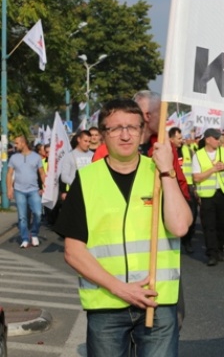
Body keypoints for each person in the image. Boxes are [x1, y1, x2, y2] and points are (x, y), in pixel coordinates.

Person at [54, 98, 192, 356]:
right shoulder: (87, 179)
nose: (125, 135)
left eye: (132, 127)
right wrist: (121, 289)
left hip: (157, 302)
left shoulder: (159, 173)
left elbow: (181, 226)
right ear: (103, 135)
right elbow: (73, 251)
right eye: (116, 128)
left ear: (142, 131)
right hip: (106, 303)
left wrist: (166, 172)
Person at [192, 128, 224, 266]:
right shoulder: (198, 155)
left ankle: (220, 249)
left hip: (222, 193)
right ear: (208, 139)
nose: (218, 141)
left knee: (222, 223)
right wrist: (213, 170)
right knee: (209, 225)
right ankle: (211, 253)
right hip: (207, 195)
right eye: (216, 138)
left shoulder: (223, 151)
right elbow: (196, 177)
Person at [7, 135, 46, 248]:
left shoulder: (36, 157)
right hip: (19, 191)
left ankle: (34, 233)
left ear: (23, 143)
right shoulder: (14, 158)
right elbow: (9, 174)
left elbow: (42, 173)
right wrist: (9, 188)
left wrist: (45, 186)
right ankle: (25, 238)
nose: (15, 145)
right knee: (22, 217)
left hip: (33, 190)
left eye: (17, 143)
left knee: (38, 213)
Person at [169, 127, 198, 254]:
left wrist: (196, 187)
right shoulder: (168, 151)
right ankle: (175, 241)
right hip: (173, 187)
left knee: (191, 215)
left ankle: (187, 241)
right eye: (179, 138)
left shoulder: (189, 151)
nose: (181, 140)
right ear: (171, 139)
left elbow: (195, 168)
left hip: (188, 187)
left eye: (182, 138)